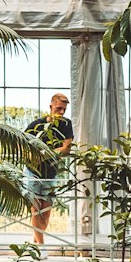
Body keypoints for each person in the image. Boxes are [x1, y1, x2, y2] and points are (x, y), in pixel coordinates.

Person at [23, 93, 74, 246]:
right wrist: (38, 156)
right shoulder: (36, 126)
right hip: (33, 172)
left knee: (45, 212)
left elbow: (67, 149)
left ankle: (37, 240)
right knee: (35, 208)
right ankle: (41, 245)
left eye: (64, 110)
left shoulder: (66, 124)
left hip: (51, 173)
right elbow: (24, 146)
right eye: (59, 108)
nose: (61, 112)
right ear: (51, 106)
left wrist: (45, 154)